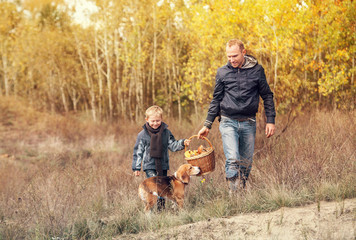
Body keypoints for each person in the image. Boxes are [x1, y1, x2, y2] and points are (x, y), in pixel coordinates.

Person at [197, 39, 276, 191]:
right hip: (228, 121)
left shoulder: (257, 70)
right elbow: (216, 99)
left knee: (246, 163)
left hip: (249, 122)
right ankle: (234, 196)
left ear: (243, 52)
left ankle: (241, 189)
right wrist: (207, 124)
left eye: (235, 56)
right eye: (229, 56)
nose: (231, 60)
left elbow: (267, 95)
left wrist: (270, 121)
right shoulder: (222, 72)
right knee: (233, 159)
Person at [132, 105, 191, 210]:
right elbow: (138, 152)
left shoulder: (166, 132)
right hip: (149, 165)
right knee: (155, 187)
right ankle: (151, 208)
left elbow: (173, 145)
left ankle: (161, 210)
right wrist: (136, 168)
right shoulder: (142, 134)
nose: (155, 123)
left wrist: (182, 143)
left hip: (163, 165)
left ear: (161, 119)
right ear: (147, 120)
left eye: (158, 121)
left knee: (164, 189)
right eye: (153, 121)